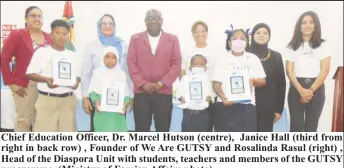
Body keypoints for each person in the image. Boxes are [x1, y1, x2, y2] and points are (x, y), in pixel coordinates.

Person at [127, 9, 181, 132]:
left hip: (164, 92)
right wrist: (142, 84)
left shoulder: (172, 39)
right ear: (145, 21)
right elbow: (131, 63)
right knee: (141, 130)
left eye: (157, 18)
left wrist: (162, 83)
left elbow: (176, 64)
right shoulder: (135, 39)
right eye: (150, 18)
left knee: (163, 129)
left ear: (162, 21)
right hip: (141, 92)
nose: (154, 20)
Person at [0, 6, 52, 132]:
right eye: (33, 15)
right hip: (25, 85)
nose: (37, 18)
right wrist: (11, 84)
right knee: (24, 121)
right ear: (26, 18)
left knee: (40, 122)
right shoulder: (17, 34)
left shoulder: (48, 37)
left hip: (45, 86)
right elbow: (3, 58)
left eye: (40, 16)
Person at [26, 19, 81, 132]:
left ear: (68, 36)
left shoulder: (73, 55)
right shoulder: (41, 52)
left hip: (68, 100)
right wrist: (45, 79)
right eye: (57, 33)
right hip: (47, 100)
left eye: (64, 33)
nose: (61, 36)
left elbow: (78, 76)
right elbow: (30, 74)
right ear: (51, 34)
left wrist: (76, 82)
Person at [81, 14, 133, 130]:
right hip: (98, 99)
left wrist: (130, 97)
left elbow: (128, 73)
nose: (107, 26)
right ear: (99, 26)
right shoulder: (92, 45)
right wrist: (85, 98)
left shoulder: (123, 45)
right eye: (104, 23)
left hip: (118, 100)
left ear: (114, 26)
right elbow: (86, 74)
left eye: (110, 23)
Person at [212, 29, 266, 132]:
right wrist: (223, 97)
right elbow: (216, 83)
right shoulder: (222, 59)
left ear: (247, 42)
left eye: (242, 39)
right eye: (235, 38)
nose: (239, 41)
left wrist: (253, 81)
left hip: (246, 107)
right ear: (229, 42)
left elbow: (263, 80)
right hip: (225, 106)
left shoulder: (253, 58)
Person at [285, 11, 330, 132]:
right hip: (296, 87)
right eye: (304, 22)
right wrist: (300, 90)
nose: (307, 25)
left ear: (316, 25)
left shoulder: (323, 45)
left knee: (311, 127)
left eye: (311, 22)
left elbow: (325, 70)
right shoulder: (292, 46)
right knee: (295, 126)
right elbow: (289, 71)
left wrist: (309, 91)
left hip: (317, 88)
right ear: (299, 26)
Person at [180, 20, 219, 132]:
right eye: (196, 31)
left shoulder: (214, 51)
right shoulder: (187, 50)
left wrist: (211, 96)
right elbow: (182, 72)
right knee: (188, 130)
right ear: (192, 34)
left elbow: (218, 74)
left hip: (209, 98)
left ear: (207, 32)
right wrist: (182, 95)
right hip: (189, 99)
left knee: (206, 129)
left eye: (203, 30)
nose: (200, 33)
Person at [249, 23, 286, 132]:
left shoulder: (276, 56)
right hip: (248, 105)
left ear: (269, 36)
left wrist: (278, 110)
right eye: (258, 32)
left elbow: (281, 84)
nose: (262, 35)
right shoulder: (245, 54)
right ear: (253, 36)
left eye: (265, 33)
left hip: (268, 105)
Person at [88, 47, 130, 132]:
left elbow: (126, 95)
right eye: (107, 57)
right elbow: (92, 92)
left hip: (117, 115)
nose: (110, 60)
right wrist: (95, 102)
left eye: (113, 57)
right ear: (103, 58)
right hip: (102, 112)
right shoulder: (97, 73)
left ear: (117, 59)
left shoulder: (121, 75)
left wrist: (125, 104)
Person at [177, 54, 212, 132]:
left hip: (203, 114)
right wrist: (182, 98)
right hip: (189, 113)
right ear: (190, 67)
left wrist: (209, 98)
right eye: (195, 64)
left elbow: (210, 95)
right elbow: (179, 94)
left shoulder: (207, 80)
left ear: (205, 68)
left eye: (201, 64)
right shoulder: (185, 79)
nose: (198, 66)